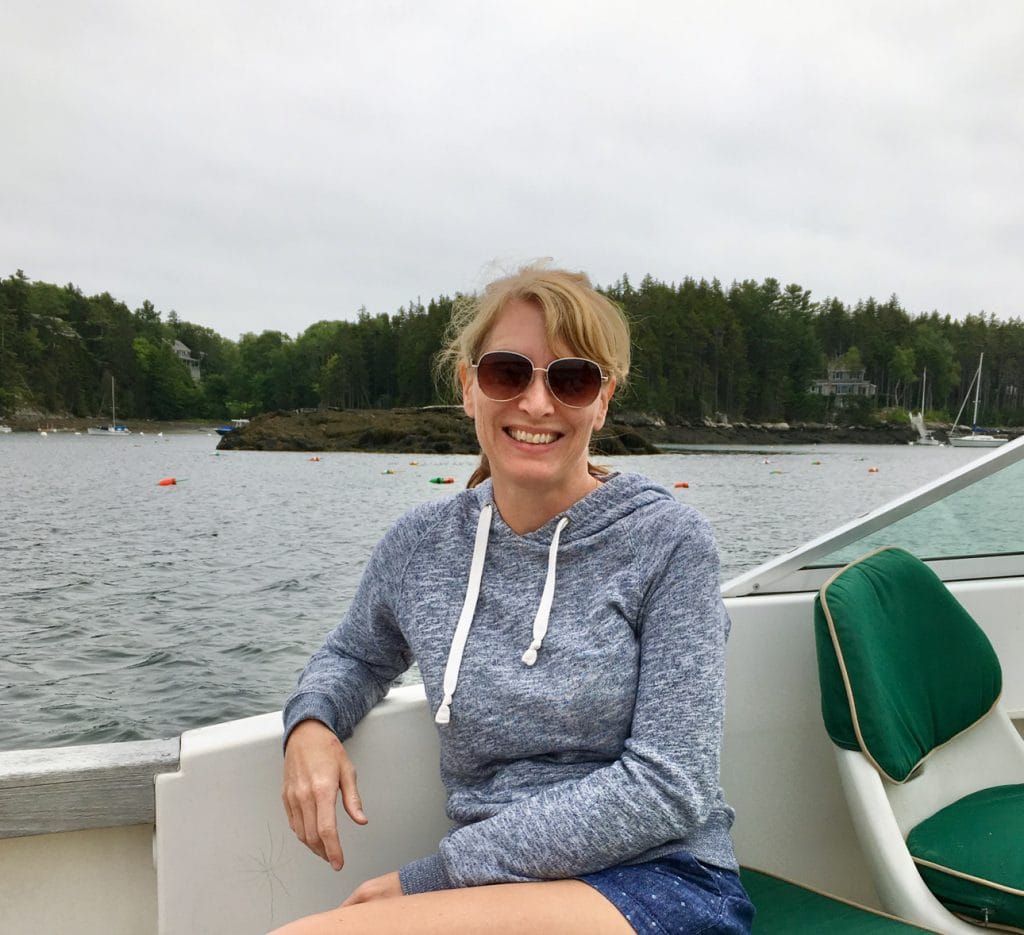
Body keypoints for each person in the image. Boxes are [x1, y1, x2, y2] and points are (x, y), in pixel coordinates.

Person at [273, 264, 753, 934]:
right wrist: (311, 724)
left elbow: (672, 785)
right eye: (508, 372)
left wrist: (432, 878)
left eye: (571, 379)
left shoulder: (668, 542)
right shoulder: (421, 546)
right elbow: (355, 656)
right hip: (493, 888)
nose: (536, 403)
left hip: (657, 879)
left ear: (603, 400)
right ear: (469, 387)